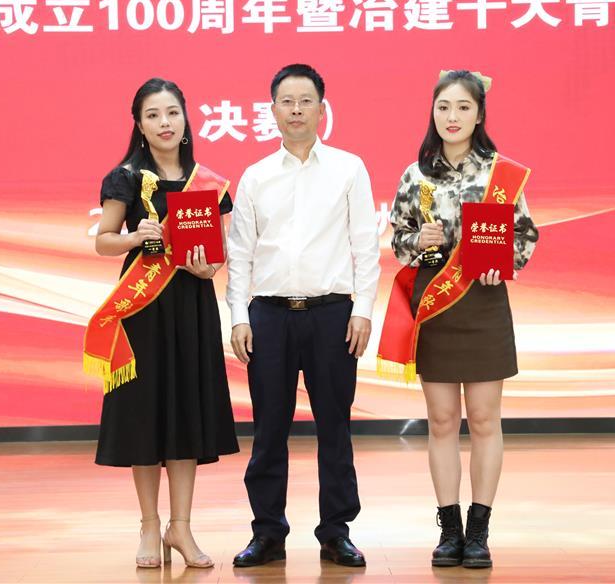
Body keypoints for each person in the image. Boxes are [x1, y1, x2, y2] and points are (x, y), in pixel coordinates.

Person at [226, 64, 381, 568]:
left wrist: (362, 311)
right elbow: (240, 254)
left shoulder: (348, 168)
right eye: (287, 102)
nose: (296, 110)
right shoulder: (255, 176)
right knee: (269, 429)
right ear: (272, 110)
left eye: (305, 101)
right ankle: (267, 533)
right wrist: (238, 316)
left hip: (332, 315)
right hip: (269, 316)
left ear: (321, 108)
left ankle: (336, 532)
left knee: (334, 427)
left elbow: (365, 246)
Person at [383, 70, 538, 569]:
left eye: (463, 107)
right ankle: (449, 530)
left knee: (486, 419)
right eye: (443, 107)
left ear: (479, 114)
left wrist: (503, 262)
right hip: (436, 301)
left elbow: (525, 235)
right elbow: (398, 239)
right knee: (442, 420)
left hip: (483, 301)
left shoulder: (500, 174)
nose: (452, 117)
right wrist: (418, 241)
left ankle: (479, 531)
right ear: (433, 112)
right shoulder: (416, 175)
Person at [84, 77, 239, 569]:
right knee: (147, 416)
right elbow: (103, 240)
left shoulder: (207, 183)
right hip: (143, 312)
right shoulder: (126, 178)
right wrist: (135, 238)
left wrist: (208, 268)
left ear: (186, 118)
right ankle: (150, 526)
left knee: (185, 415)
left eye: (172, 112)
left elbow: (218, 251)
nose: (164, 123)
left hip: (192, 306)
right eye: (153, 115)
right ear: (139, 124)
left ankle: (181, 528)